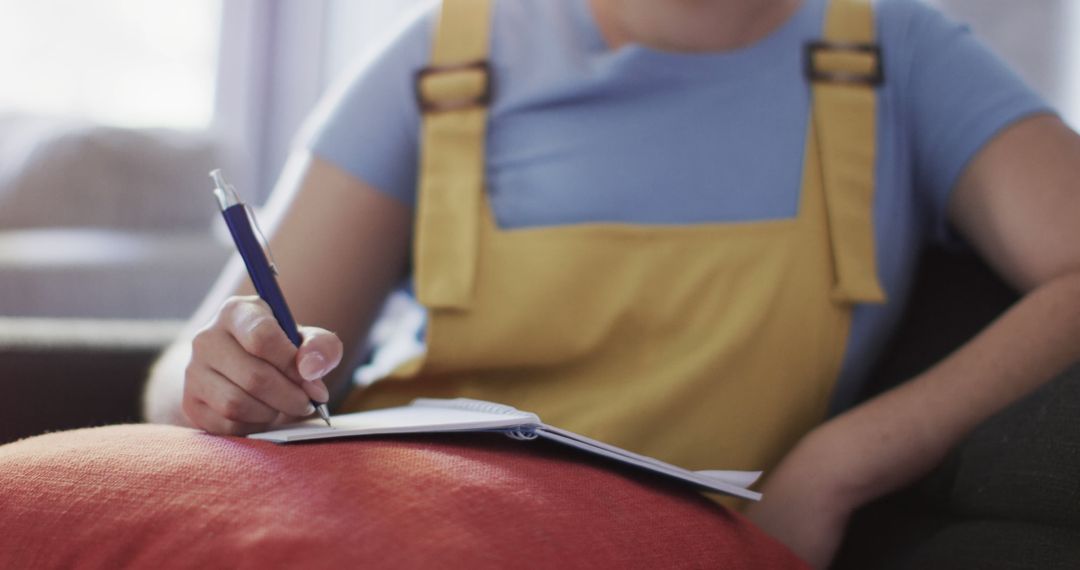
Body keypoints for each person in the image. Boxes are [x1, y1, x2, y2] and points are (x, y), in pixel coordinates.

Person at [143, 0, 1080, 567]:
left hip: (663, 545)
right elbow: (175, 391)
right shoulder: (443, 53)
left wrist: (843, 462)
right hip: (378, 516)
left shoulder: (896, 53)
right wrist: (227, 372)